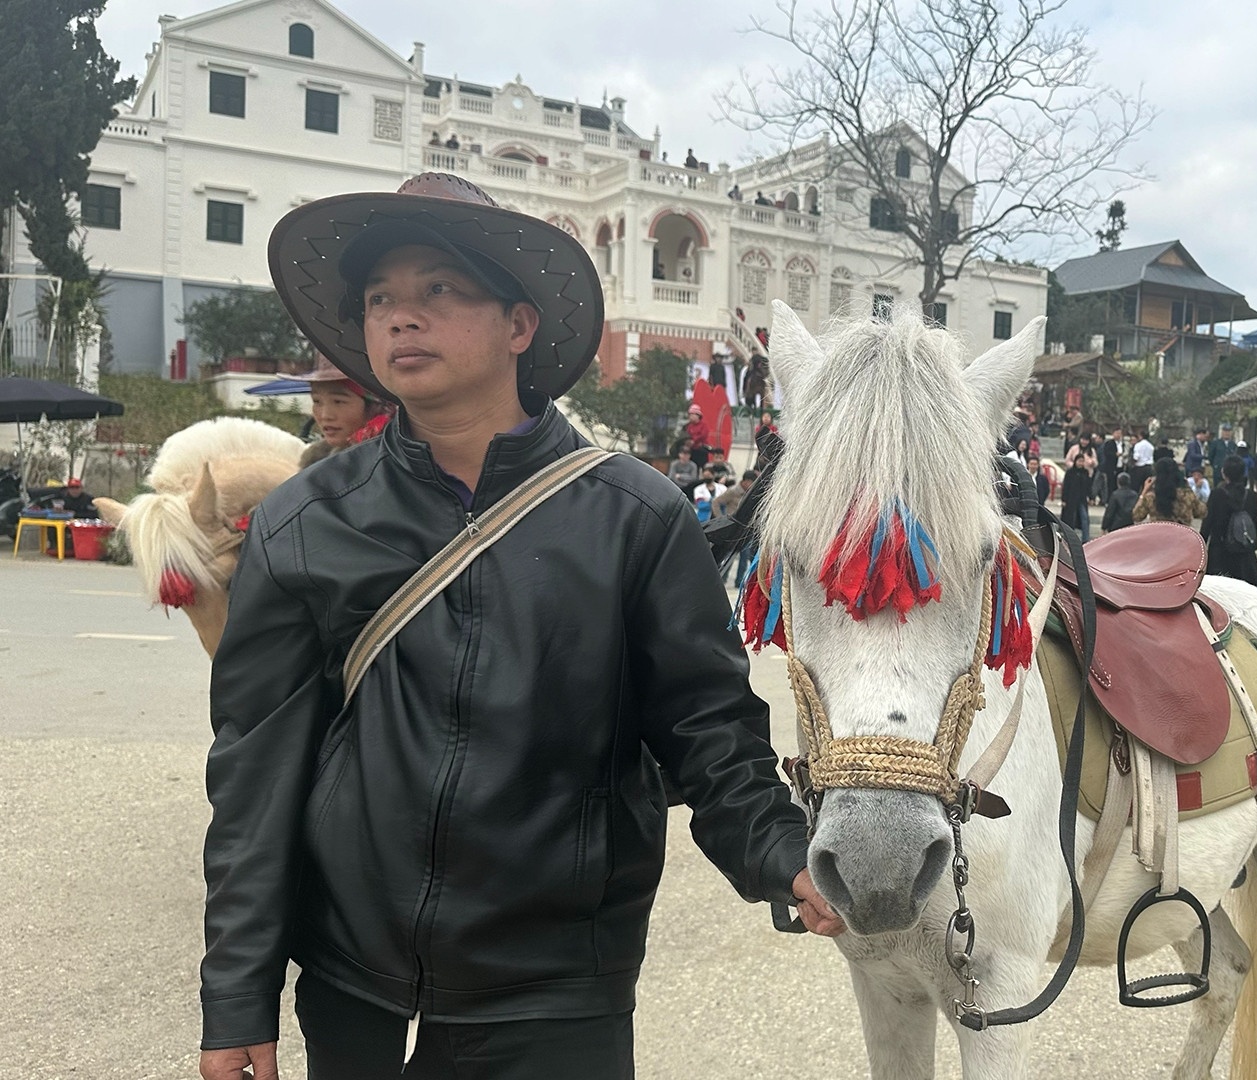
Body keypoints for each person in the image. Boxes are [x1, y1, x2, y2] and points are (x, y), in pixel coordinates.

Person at [198, 171, 840, 1080]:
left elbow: (709, 732)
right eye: (380, 298)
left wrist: (785, 855)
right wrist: (235, 999)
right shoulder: (306, 522)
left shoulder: (635, 518)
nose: (400, 317)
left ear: (519, 324)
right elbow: (255, 772)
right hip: (355, 983)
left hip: (559, 993)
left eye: (438, 290)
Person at [294, 357, 392, 468]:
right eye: (317, 401)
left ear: (374, 406)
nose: (325, 415)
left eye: (338, 402)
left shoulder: (390, 463)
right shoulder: (316, 465)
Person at [1200, 455, 1257, 587]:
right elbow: (1254, 524)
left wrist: (1200, 547)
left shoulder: (1217, 494)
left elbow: (1207, 523)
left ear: (1224, 473)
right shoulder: (1251, 496)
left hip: (1220, 553)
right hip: (1244, 554)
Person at [1135, 457, 1204, 525]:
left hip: (1158, 534)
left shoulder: (1151, 497)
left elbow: (1136, 516)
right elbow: (1202, 512)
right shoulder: (1187, 495)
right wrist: (1188, 487)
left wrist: (1144, 491)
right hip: (1181, 534)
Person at [1059, 452, 1093, 543]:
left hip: (1082, 499)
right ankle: (1071, 538)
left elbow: (1088, 486)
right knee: (1071, 519)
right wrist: (1064, 499)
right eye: (1079, 461)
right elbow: (1066, 486)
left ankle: (1086, 539)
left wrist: (1090, 497)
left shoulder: (1085, 472)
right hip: (1071, 499)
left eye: (1082, 461)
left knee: (1084, 518)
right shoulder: (1070, 472)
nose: (1081, 463)